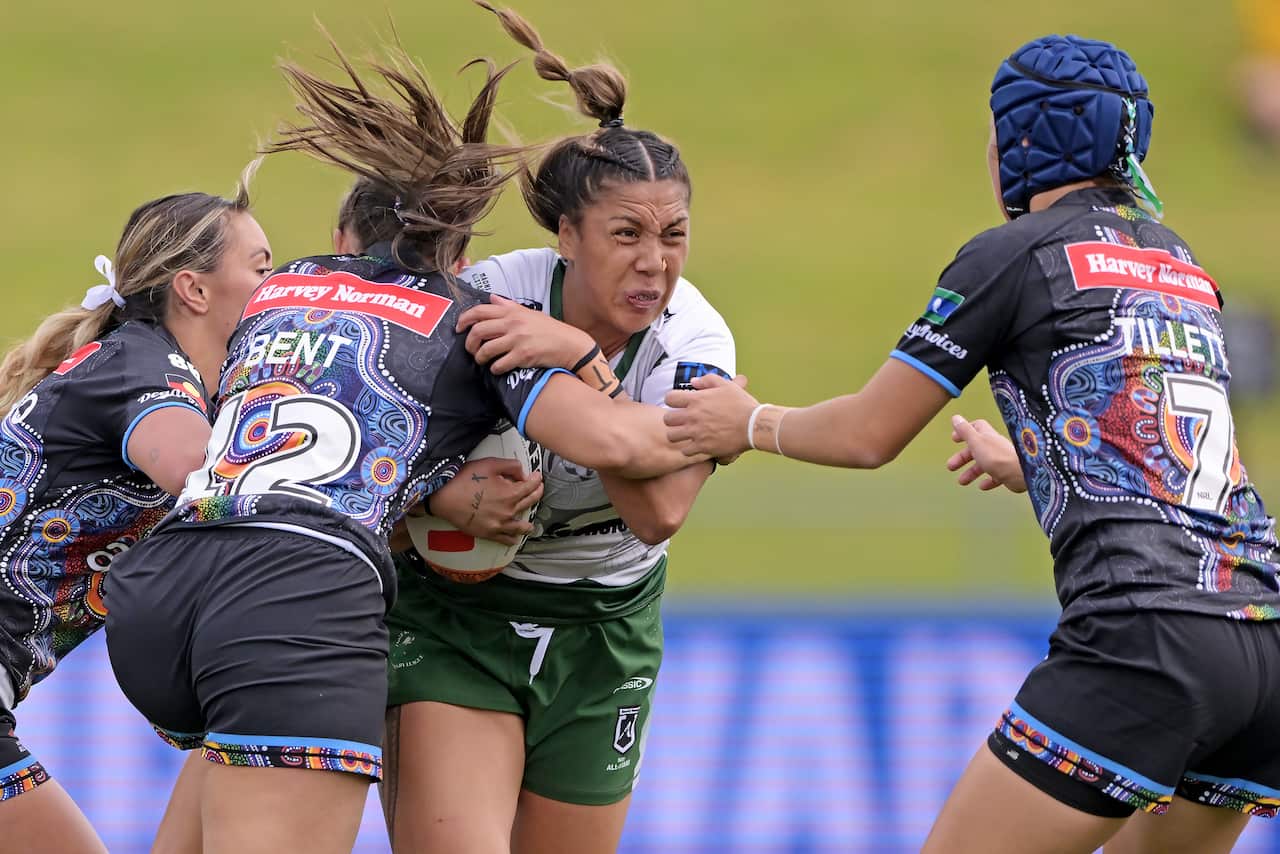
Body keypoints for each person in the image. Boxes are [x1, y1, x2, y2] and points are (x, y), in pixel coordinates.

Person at [663, 34, 1280, 854]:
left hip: (1145, 639)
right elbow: (1177, 460)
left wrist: (744, 420)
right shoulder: (1178, 264)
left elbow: (867, 434)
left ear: (1019, 144)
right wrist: (1032, 462)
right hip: (1263, 644)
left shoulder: (1014, 254)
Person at [102, 35, 712, 854]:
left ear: (343, 233)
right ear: (460, 254)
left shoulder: (280, 287)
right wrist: (710, 411)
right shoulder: (473, 320)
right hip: (299, 596)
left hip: (167, 589)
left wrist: (432, 488)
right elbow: (612, 439)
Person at [377, 5, 735, 853]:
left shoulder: (696, 339)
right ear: (567, 235)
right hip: (458, 618)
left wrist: (582, 362)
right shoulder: (494, 296)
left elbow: (661, 514)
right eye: (627, 234)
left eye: (674, 235)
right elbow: (382, 441)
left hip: (607, 626)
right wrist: (452, 497)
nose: (655, 261)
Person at [0, 180, 272, 853]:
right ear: (194, 290)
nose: (279, 290)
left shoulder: (141, 362)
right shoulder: (149, 367)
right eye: (263, 268)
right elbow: (201, 474)